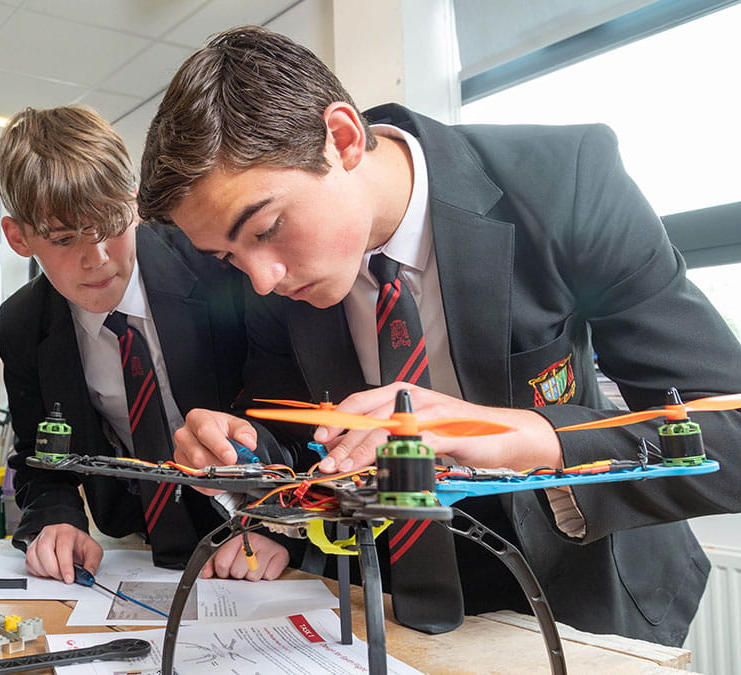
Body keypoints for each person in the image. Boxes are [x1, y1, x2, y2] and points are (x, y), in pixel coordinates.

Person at [135, 25, 741, 646]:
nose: (261, 281)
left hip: (586, 591)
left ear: (342, 139)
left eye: (266, 228)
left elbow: (731, 432)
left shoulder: (566, 180)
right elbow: (297, 442)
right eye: (228, 256)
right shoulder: (275, 279)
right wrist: (243, 454)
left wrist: (511, 434)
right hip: (392, 608)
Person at [0, 106, 294, 585]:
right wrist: (57, 519)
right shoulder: (23, 323)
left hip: (259, 534)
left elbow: (285, 409)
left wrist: (274, 520)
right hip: (138, 540)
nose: (97, 258)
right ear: (18, 237)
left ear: (133, 203)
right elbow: (41, 457)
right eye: (65, 239)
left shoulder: (219, 266)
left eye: (112, 224)